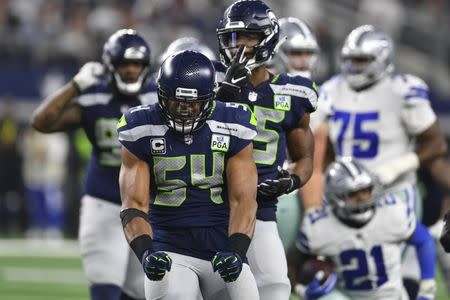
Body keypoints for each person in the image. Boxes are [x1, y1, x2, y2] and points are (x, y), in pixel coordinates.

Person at [301, 24, 448, 298]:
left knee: (386, 274)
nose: (353, 67)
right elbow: (315, 138)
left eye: (361, 60)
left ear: (381, 59)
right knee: (352, 274)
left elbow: (436, 143)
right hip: (343, 196)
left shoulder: (402, 89)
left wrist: (395, 168)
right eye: (350, 60)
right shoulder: (332, 89)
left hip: (393, 193)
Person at [117, 50, 259, 300]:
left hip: (222, 247)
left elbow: (243, 200)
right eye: (177, 102)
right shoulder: (140, 127)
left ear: (209, 99)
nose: (185, 111)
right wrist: (146, 252)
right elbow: (133, 205)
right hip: (169, 250)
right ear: (162, 95)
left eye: (193, 103)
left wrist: (237, 250)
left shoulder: (233, 122)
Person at [31, 28, 157, 300]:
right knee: (105, 290)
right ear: (110, 65)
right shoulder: (93, 97)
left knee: (140, 292)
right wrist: (75, 84)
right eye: (125, 64)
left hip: (147, 205)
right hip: (104, 201)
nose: (132, 70)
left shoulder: (155, 99)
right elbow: (41, 121)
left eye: (137, 64)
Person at [216, 1, 319, 298]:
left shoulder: (293, 93)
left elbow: (305, 158)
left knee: (275, 286)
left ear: (268, 39)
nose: (240, 46)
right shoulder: (207, 82)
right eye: (234, 38)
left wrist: (292, 180)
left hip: (260, 208)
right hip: (208, 206)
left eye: (249, 37)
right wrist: (222, 98)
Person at [295, 157, 437, 300]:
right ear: (336, 197)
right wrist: (301, 289)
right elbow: (291, 263)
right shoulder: (320, 227)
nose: (362, 198)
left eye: (366, 190)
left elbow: (423, 240)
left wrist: (427, 287)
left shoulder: (391, 212)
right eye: (353, 194)